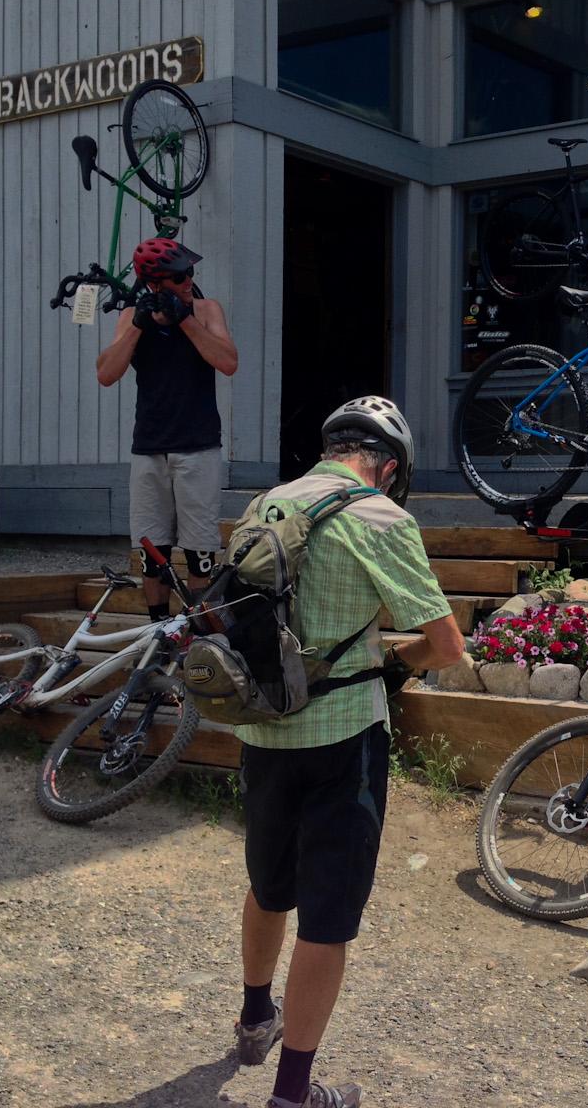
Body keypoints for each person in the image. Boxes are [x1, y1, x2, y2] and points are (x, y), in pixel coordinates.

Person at [232, 397, 464, 1108]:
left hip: (262, 729)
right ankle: (294, 1094)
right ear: (388, 467)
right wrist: (396, 664)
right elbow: (447, 648)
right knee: (326, 920)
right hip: (342, 737)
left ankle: (252, 1018)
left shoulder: (265, 505)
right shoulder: (379, 515)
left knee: (270, 886)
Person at [95, 238, 238, 615]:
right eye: (179, 276)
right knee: (150, 549)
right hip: (149, 446)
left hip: (197, 445)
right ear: (155, 283)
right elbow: (106, 374)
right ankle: (158, 625)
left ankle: (198, 628)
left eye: (190, 271)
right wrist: (139, 326)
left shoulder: (207, 310)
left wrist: (185, 320)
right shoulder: (130, 316)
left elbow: (227, 362)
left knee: (199, 549)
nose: (189, 279)